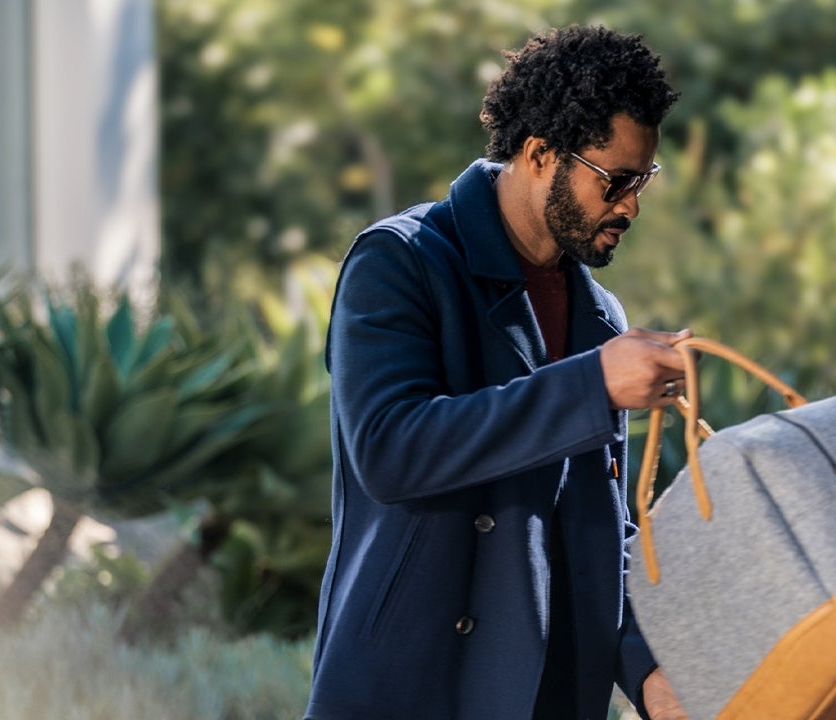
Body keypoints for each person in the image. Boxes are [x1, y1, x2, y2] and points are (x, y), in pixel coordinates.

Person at [308, 25, 692, 720]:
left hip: (546, 697)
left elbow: (600, 528)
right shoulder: (401, 262)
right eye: (618, 180)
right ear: (541, 153)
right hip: (412, 690)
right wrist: (593, 386)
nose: (632, 204)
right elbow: (391, 451)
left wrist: (650, 672)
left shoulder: (599, 316)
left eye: (644, 180)